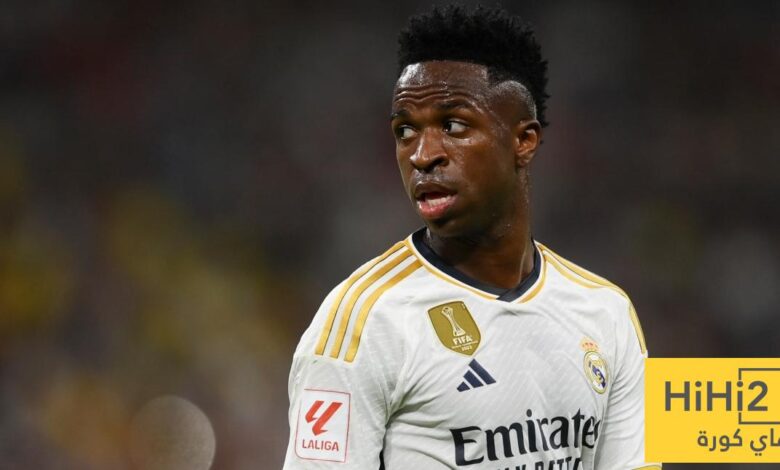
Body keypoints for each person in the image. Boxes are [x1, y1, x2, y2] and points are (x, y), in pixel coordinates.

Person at [283, 5, 660, 469]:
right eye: (405, 131)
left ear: (524, 140)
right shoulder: (365, 322)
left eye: (453, 126)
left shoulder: (607, 313)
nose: (422, 155)